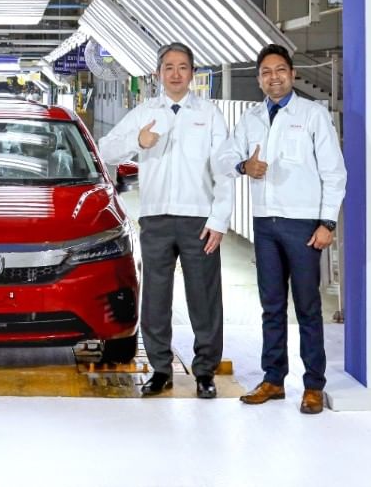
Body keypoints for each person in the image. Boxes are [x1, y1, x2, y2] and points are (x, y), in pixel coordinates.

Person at [217, 44, 347, 415]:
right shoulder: (252, 117)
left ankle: (313, 385)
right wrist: (243, 166)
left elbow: (334, 173)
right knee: (271, 306)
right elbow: (224, 157)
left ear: (292, 74)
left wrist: (327, 222)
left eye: (280, 71)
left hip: (303, 224)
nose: (273, 78)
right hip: (265, 223)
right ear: (259, 79)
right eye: (266, 73)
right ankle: (273, 379)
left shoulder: (312, 115)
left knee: (307, 306)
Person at [98, 42, 232, 399]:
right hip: (155, 218)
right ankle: (160, 370)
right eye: (169, 67)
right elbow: (105, 149)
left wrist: (220, 218)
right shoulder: (145, 112)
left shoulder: (209, 114)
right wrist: (137, 140)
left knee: (204, 297)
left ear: (193, 73)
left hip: (199, 219)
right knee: (155, 298)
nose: (175, 74)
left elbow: (223, 168)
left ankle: (205, 372)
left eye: (182, 67)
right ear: (159, 73)